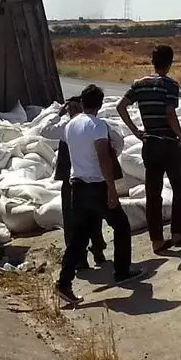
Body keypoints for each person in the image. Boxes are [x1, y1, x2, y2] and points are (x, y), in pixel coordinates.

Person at [56, 85, 144, 306]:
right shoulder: (98, 126)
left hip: (77, 187)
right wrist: (112, 189)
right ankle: (122, 271)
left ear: (82, 102)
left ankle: (63, 283)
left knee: (78, 238)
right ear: (101, 103)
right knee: (122, 225)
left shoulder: (69, 126)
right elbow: (104, 158)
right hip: (97, 188)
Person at [117, 44, 181, 254]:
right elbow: (170, 113)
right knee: (179, 188)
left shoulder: (138, 85)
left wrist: (136, 130)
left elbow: (121, 106)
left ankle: (157, 241)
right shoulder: (170, 85)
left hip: (150, 144)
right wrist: (180, 134)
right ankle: (178, 233)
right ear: (170, 63)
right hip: (168, 144)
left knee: (153, 193)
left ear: (152, 62)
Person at [52, 96, 107, 269]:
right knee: (74, 220)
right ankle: (81, 257)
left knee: (91, 217)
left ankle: (96, 249)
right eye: (70, 108)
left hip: (86, 180)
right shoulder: (69, 126)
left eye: (75, 106)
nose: (72, 110)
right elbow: (44, 130)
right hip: (76, 180)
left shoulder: (74, 127)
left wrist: (58, 114)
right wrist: (59, 113)